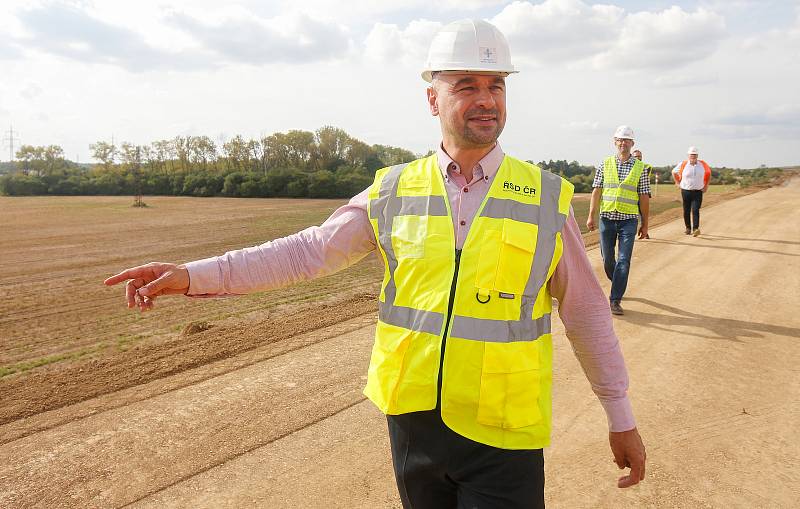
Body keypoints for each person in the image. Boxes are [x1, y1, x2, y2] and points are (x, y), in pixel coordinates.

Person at [104, 19, 645, 508]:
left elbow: (587, 314)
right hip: (413, 424)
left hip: (503, 431)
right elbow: (307, 252)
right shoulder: (393, 190)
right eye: (466, 85)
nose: (487, 100)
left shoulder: (544, 197)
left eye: (496, 85)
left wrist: (620, 417)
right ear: (432, 99)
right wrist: (189, 275)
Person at [586, 126, 650, 316]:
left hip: (628, 220)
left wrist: (645, 223)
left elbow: (644, 196)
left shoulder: (641, 168)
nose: (623, 143)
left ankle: (615, 300)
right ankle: (619, 281)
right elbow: (596, 190)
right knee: (607, 260)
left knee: (624, 260)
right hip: (607, 217)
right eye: (620, 140)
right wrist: (591, 214)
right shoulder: (604, 164)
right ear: (615, 142)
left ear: (632, 144)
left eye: (627, 140)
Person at [672, 146, 711, 236]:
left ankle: (696, 229)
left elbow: (708, 173)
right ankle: (688, 228)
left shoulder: (703, 164)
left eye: (694, 155)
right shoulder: (683, 164)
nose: (693, 156)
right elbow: (674, 172)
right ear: (688, 155)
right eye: (691, 155)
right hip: (686, 191)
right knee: (686, 210)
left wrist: (706, 186)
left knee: (695, 209)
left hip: (698, 191)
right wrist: (677, 182)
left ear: (697, 155)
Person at [632, 149, 652, 239]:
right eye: (635, 156)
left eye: (639, 156)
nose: (637, 158)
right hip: (631, 194)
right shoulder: (628, 167)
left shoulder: (646, 167)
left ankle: (644, 229)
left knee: (642, 212)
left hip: (642, 192)